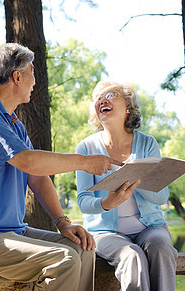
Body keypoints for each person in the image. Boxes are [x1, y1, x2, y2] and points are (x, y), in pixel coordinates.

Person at [0, 43, 122, 291]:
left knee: (82, 248)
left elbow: (37, 177)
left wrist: (63, 223)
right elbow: (27, 161)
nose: (35, 81)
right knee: (63, 259)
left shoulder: (14, 124)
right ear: (17, 76)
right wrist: (85, 162)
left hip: (9, 232)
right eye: (32, 73)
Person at [75, 81, 178, 291]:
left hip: (150, 228)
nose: (102, 100)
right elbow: (83, 201)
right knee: (132, 256)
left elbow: (161, 196)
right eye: (97, 98)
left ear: (128, 108)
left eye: (111, 94)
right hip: (104, 233)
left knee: (162, 247)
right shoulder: (86, 147)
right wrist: (106, 202)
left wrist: (137, 179)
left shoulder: (147, 144)